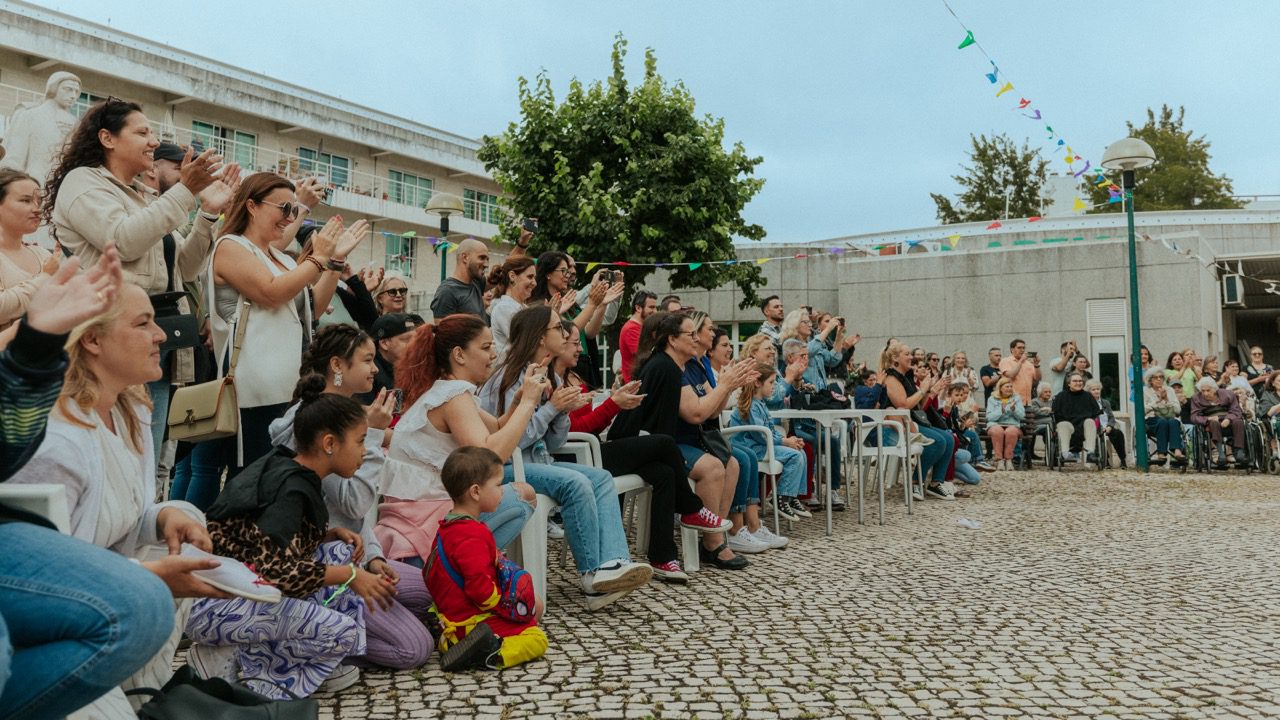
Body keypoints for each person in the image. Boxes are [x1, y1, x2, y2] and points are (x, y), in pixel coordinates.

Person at [0, 244, 207, 719]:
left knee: (188, 523)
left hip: (110, 592)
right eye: (142, 323)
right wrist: (146, 577)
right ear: (92, 341)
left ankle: (140, 690)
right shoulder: (57, 438)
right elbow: (51, 576)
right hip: (63, 620)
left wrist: (165, 515)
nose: (161, 335)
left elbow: (124, 515)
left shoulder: (131, 409)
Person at [185, 383, 394, 698]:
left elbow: (259, 544)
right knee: (344, 633)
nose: (365, 451)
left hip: (229, 595)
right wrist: (351, 576)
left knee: (339, 551)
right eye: (361, 441)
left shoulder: (290, 467)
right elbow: (275, 572)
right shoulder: (291, 489)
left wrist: (327, 535)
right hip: (211, 606)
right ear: (329, 443)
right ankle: (263, 685)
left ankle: (252, 655)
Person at [265, 326, 432, 671]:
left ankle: (368, 619)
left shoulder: (345, 410)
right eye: (368, 360)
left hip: (352, 556)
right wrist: (371, 436)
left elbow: (350, 517)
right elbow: (354, 503)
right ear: (338, 365)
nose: (375, 368)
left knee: (433, 592)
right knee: (415, 649)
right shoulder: (311, 423)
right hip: (321, 569)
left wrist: (372, 557)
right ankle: (319, 644)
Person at [478, 306, 653, 609]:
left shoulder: (549, 376)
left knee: (599, 477)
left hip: (536, 462)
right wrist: (550, 409)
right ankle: (591, 577)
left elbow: (555, 441)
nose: (566, 334)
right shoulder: (511, 377)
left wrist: (560, 411)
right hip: (504, 467)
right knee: (574, 482)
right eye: (558, 328)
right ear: (540, 338)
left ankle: (613, 563)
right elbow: (512, 441)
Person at [210, 174, 367, 470]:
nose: (289, 218)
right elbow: (271, 293)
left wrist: (334, 262)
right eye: (284, 208)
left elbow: (313, 308)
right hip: (252, 385)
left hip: (289, 386)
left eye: (294, 211)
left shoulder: (279, 258)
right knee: (252, 477)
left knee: (281, 475)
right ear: (252, 206)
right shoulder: (230, 246)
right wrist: (318, 258)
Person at [552, 319, 729, 581]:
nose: (580, 349)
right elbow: (571, 433)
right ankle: (690, 508)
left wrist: (615, 404)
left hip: (593, 448)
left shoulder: (576, 377)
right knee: (665, 443)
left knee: (664, 473)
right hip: (579, 457)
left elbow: (593, 426)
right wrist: (613, 404)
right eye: (575, 343)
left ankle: (662, 556)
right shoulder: (552, 383)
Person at [375, 314, 539, 572]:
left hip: (410, 528)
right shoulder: (453, 396)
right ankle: (463, 571)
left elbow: (497, 428)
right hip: (426, 537)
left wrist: (518, 400)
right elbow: (490, 456)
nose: (493, 355)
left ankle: (469, 568)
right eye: (486, 347)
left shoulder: (442, 391)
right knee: (524, 495)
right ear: (459, 355)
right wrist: (529, 403)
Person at [610, 312, 751, 570]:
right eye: (691, 334)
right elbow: (692, 415)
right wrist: (725, 385)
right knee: (684, 454)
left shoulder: (676, 366)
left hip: (653, 446)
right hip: (633, 446)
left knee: (671, 471)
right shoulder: (664, 366)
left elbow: (706, 412)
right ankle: (694, 514)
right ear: (672, 340)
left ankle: (666, 555)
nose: (697, 338)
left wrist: (728, 386)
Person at [426, 447, 548, 672]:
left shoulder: (446, 528)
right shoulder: (474, 534)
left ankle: (453, 643)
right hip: (470, 623)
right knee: (536, 638)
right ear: (475, 491)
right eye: (498, 485)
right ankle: (491, 652)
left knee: (533, 611)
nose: (502, 491)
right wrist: (507, 607)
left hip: (453, 619)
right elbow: (480, 592)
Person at [730, 361, 810, 524]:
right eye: (771, 382)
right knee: (795, 456)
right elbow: (760, 435)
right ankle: (780, 498)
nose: (774, 386)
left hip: (762, 446)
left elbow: (770, 430)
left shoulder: (761, 404)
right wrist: (784, 442)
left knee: (801, 451)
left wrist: (789, 440)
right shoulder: (752, 405)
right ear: (758, 383)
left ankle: (791, 495)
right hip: (752, 448)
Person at [881, 341, 955, 500]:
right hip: (897, 426)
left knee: (949, 438)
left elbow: (919, 405)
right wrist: (922, 390)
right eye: (907, 354)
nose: (911, 357)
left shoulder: (905, 376)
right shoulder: (891, 378)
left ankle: (936, 483)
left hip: (912, 421)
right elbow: (903, 405)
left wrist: (933, 390)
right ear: (895, 358)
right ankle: (915, 481)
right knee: (938, 441)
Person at [0, 169, 57, 331]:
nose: (37, 209)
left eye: (39, 202)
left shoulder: (44, 254)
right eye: (26, 201)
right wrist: (45, 277)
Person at [353, 312, 421, 405]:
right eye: (406, 339)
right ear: (384, 343)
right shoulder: (368, 374)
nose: (414, 344)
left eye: (416, 339)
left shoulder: (415, 365)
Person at [487, 255, 537, 361]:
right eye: (530, 277)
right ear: (512, 276)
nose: (534, 283)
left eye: (534, 278)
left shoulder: (522, 307)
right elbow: (526, 344)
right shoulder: (504, 308)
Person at [1190, 376, 1247, 469]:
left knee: (1239, 422)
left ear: (1215, 389)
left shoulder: (1228, 394)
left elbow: (1236, 411)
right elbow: (1194, 416)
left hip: (1228, 419)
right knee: (1214, 423)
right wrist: (1208, 419)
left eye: (1208, 390)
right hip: (1211, 422)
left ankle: (1239, 451)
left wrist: (1228, 419)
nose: (1205, 393)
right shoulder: (1196, 398)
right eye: (1203, 391)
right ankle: (1220, 453)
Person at [431, 237, 490, 321]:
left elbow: (502, 274)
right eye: (482, 258)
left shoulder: (476, 282)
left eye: (487, 259)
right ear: (465, 257)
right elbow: (443, 332)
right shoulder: (447, 292)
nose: (486, 264)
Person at [1051, 372, 1100, 466]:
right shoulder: (1061, 396)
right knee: (1063, 424)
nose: (1078, 383)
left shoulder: (1088, 396)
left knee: (1090, 421)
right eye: (1075, 381)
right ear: (1069, 383)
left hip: (1084, 426)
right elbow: (1056, 414)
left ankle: (1090, 453)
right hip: (1067, 426)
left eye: (1080, 381)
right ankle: (1065, 454)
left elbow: (1095, 412)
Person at [1143, 369, 1187, 465]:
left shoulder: (1169, 390)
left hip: (1169, 419)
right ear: (1150, 380)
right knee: (1162, 422)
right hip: (1152, 420)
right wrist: (1157, 401)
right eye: (1156, 377)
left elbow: (1178, 410)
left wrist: (1166, 400)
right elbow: (1142, 411)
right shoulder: (1145, 391)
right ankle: (1161, 453)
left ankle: (1177, 450)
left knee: (1173, 422)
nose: (1159, 379)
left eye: (1161, 377)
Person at [1086, 379, 1127, 469]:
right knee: (1099, 437)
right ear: (1089, 392)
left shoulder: (1105, 402)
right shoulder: (1087, 403)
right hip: (1096, 428)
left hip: (1108, 428)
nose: (1096, 391)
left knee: (1118, 434)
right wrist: (1101, 428)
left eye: (1098, 389)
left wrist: (1109, 426)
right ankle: (1105, 461)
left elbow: (1111, 417)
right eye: (1093, 389)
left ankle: (1123, 460)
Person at [618, 289, 657, 382]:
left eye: (656, 307)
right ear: (638, 308)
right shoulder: (631, 329)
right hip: (636, 384)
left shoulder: (640, 327)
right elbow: (644, 356)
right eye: (651, 307)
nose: (655, 311)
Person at [999, 338, 1039, 404]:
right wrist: (1021, 361)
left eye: (1023, 348)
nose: (1022, 350)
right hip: (1011, 400)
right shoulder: (1005, 361)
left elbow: (1037, 378)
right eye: (1019, 348)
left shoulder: (1028, 363)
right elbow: (1011, 375)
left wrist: (1037, 365)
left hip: (1027, 401)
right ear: (1012, 349)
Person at [759, 295, 785, 361]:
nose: (781, 309)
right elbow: (781, 341)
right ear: (766, 312)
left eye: (781, 306)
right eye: (776, 307)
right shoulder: (763, 331)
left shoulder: (783, 328)